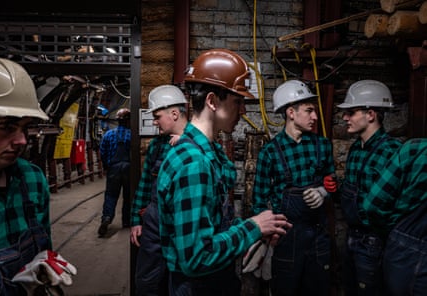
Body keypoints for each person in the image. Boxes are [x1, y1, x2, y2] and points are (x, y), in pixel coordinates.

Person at [156, 48, 292, 296]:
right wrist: (252, 228)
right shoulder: (194, 165)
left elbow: (213, 223)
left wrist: (257, 231)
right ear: (212, 101)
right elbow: (196, 257)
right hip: (199, 286)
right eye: (237, 101)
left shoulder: (204, 151)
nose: (242, 111)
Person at [0, 57, 75, 295]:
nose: (22, 140)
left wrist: (42, 267)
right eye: (7, 127)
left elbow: (45, 247)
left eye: (25, 127)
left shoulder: (31, 179)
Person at [252, 79, 337, 296]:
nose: (315, 117)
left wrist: (324, 192)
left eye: (315, 111)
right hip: (287, 239)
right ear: (291, 112)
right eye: (309, 111)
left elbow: (333, 183)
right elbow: (259, 201)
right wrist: (267, 238)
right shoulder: (270, 153)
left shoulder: (322, 145)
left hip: (319, 237)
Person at [336, 79, 402, 296]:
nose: (345, 117)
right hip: (351, 237)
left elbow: (395, 204)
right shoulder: (356, 149)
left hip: (375, 241)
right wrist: (335, 189)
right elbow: (354, 191)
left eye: (352, 112)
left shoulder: (392, 151)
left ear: (371, 114)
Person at [130, 84, 188, 296]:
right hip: (155, 221)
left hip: (183, 223)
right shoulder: (157, 146)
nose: (154, 122)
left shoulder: (201, 141)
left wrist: (188, 144)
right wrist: (136, 219)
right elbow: (145, 183)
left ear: (174, 114)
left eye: (157, 116)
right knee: (146, 282)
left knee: (180, 284)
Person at [362, 138, 427, 296]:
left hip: (406, 250)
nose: (345, 118)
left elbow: (373, 205)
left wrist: (393, 231)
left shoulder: (415, 149)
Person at [98, 107, 132, 236]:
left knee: (111, 195)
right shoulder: (133, 135)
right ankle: (126, 221)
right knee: (128, 196)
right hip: (129, 168)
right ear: (129, 120)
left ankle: (107, 218)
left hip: (114, 168)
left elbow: (102, 152)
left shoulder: (109, 134)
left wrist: (107, 166)